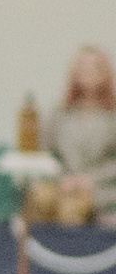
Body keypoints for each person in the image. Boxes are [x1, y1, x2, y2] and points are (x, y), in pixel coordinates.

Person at [48, 44, 116, 220]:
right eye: (83, 66)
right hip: (65, 187)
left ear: (105, 73)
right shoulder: (59, 114)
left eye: (94, 67)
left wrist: (90, 180)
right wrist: (65, 179)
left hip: (105, 190)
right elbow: (48, 155)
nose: (88, 71)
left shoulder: (112, 115)